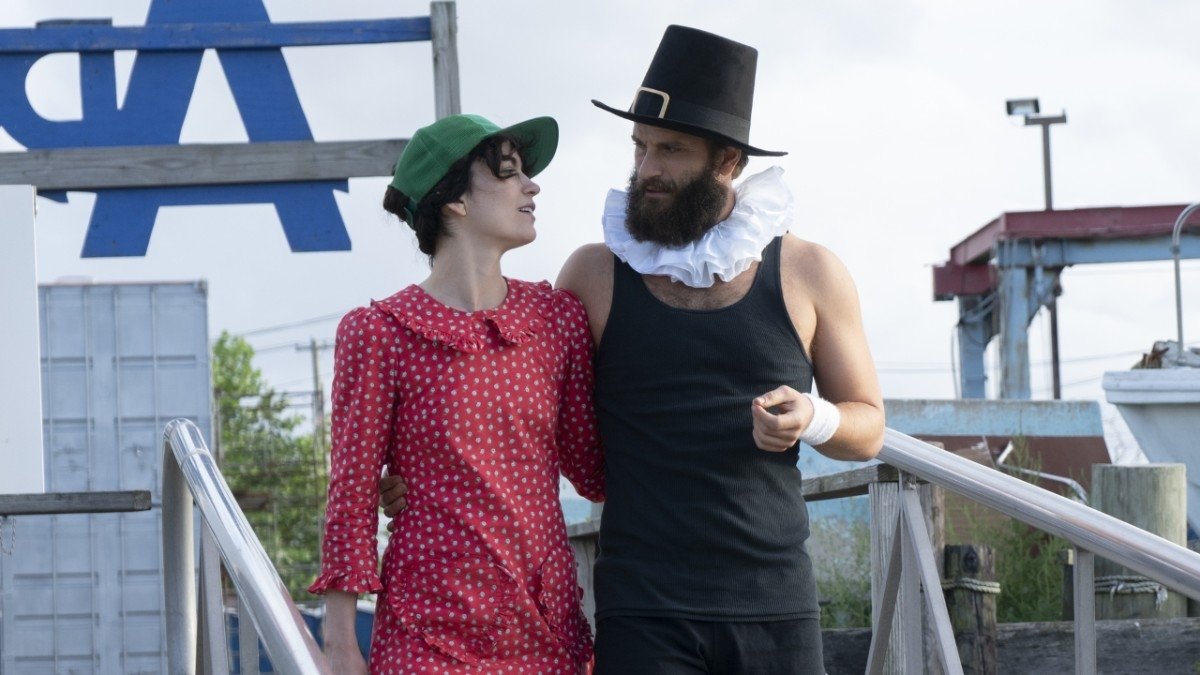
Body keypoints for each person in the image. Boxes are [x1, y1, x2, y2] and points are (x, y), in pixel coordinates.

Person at [383, 25, 884, 674]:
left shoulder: (810, 272)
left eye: (670, 150)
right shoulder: (591, 275)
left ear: (727, 161)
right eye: (640, 146)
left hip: (776, 608)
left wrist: (814, 418)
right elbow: (501, 394)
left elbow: (868, 427)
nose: (646, 169)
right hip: (640, 613)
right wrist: (416, 475)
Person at [309, 113, 604, 674]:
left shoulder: (557, 318)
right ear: (455, 200)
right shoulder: (379, 333)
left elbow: (593, 470)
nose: (532, 186)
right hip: (427, 637)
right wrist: (340, 644)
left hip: (548, 632)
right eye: (509, 172)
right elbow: (351, 495)